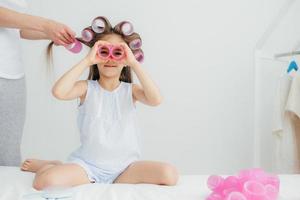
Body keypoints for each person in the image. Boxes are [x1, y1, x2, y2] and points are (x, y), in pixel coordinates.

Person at [21, 16, 178, 190]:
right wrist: (87, 60)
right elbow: (59, 92)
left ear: (125, 60)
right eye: (104, 52)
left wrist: (133, 62)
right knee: (44, 182)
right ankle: (52, 165)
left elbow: (156, 100)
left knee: (169, 174)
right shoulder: (87, 89)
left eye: (117, 53)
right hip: (87, 167)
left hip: (125, 170)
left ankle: (108, 182)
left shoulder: (131, 91)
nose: (110, 59)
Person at [0, 0, 76, 166]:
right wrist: (45, 25)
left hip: (12, 73)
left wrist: (50, 34)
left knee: (8, 153)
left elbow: (15, 28)